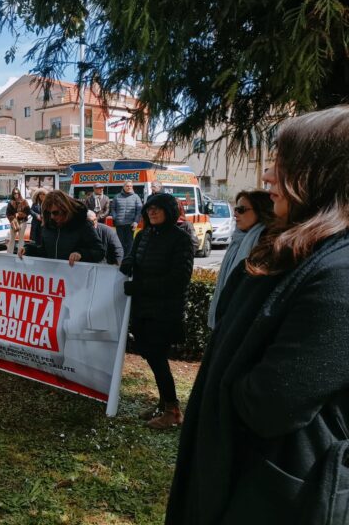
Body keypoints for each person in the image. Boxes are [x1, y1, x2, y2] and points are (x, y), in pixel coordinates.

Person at [166, 106, 349, 525]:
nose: (267, 177)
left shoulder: (339, 272)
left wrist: (230, 386)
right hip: (236, 467)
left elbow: (271, 402)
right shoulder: (295, 249)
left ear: (324, 174)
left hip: (275, 490)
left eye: (284, 164)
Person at [119, 193, 194, 429]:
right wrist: (128, 262)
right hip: (142, 308)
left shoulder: (181, 239)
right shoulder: (143, 235)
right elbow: (133, 256)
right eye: (149, 208)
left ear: (169, 211)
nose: (152, 212)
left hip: (165, 311)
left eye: (158, 208)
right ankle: (164, 404)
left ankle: (173, 410)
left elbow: (179, 279)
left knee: (158, 357)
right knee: (151, 355)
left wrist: (140, 286)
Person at [206, 189, 274, 329]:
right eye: (236, 209)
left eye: (241, 210)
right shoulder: (238, 239)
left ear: (260, 211)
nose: (235, 214)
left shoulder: (266, 243)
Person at [19, 190, 105, 266]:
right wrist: (28, 250)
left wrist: (81, 254)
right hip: (55, 277)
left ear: (65, 209)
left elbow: (100, 252)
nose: (52, 216)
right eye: (48, 213)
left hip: (77, 277)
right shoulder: (48, 226)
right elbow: (44, 251)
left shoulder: (83, 224)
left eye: (55, 212)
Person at [111, 180, 142, 257]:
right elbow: (113, 208)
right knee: (120, 242)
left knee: (129, 243)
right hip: (119, 224)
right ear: (123, 187)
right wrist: (115, 217)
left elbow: (139, 211)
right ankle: (120, 257)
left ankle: (128, 258)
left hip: (130, 224)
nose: (129, 187)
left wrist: (136, 222)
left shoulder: (136, 197)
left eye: (130, 186)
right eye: (127, 186)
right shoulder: (117, 196)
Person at [6, 187, 31, 255]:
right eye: (14, 193)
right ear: (13, 194)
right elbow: (8, 214)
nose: (16, 194)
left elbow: (28, 211)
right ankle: (9, 254)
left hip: (22, 222)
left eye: (17, 193)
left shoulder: (24, 201)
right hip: (14, 222)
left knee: (21, 238)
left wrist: (20, 214)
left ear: (19, 193)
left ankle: (20, 254)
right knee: (12, 238)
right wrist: (13, 217)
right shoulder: (10, 203)